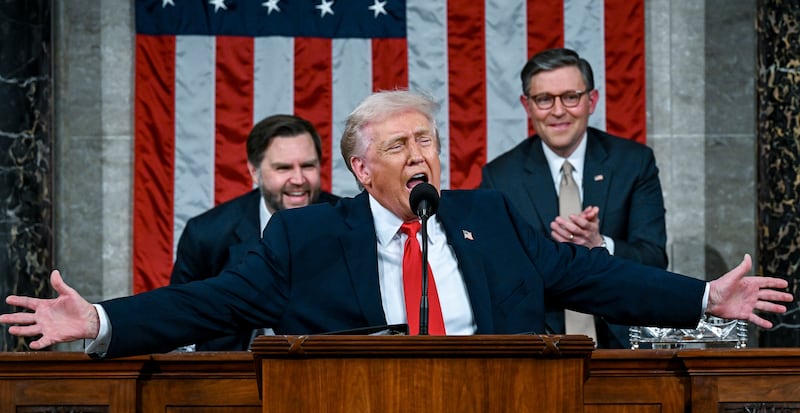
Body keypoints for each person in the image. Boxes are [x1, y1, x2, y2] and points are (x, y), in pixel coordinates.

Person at [0, 90, 791, 359]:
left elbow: (593, 277)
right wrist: (100, 319)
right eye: (401, 144)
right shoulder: (308, 238)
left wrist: (700, 299)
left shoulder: (491, 215)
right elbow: (204, 304)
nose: (422, 155)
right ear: (360, 169)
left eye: (429, 141)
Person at [481, 48, 665, 349]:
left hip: (622, 345)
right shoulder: (500, 177)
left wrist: (600, 245)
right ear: (527, 105)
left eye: (570, 97)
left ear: (591, 100)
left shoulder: (633, 163)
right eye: (544, 99)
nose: (557, 111)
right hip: (538, 346)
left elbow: (654, 259)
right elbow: (493, 274)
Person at [170, 114, 339, 351]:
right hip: (233, 374)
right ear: (254, 171)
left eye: (308, 165)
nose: (299, 179)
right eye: (283, 168)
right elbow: (179, 318)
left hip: (326, 371)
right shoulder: (206, 234)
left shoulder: (350, 223)